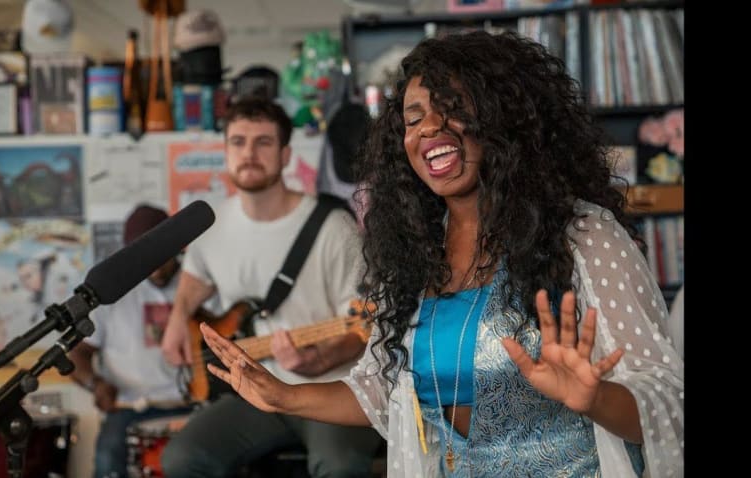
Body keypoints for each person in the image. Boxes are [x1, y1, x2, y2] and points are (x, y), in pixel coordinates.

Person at [197, 31, 684, 478]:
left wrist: (596, 399)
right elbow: (381, 392)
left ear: (503, 119)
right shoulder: (415, 252)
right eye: (413, 118)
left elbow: (666, 400)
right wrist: (282, 395)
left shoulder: (582, 234)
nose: (428, 128)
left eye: (451, 107)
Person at [159, 96, 382, 477]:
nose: (249, 153)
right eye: (238, 142)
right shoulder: (209, 228)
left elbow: (365, 328)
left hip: (333, 389)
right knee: (181, 459)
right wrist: (178, 316)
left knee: (339, 467)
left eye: (263, 142)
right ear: (225, 151)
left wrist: (320, 360)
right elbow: (195, 280)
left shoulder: (334, 229)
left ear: (285, 155)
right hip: (253, 391)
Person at [69, 204, 190, 478]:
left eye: (162, 255)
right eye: (145, 258)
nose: (156, 267)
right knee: (106, 460)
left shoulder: (197, 281)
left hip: (190, 403)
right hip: (130, 407)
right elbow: (77, 354)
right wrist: (95, 384)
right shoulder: (111, 289)